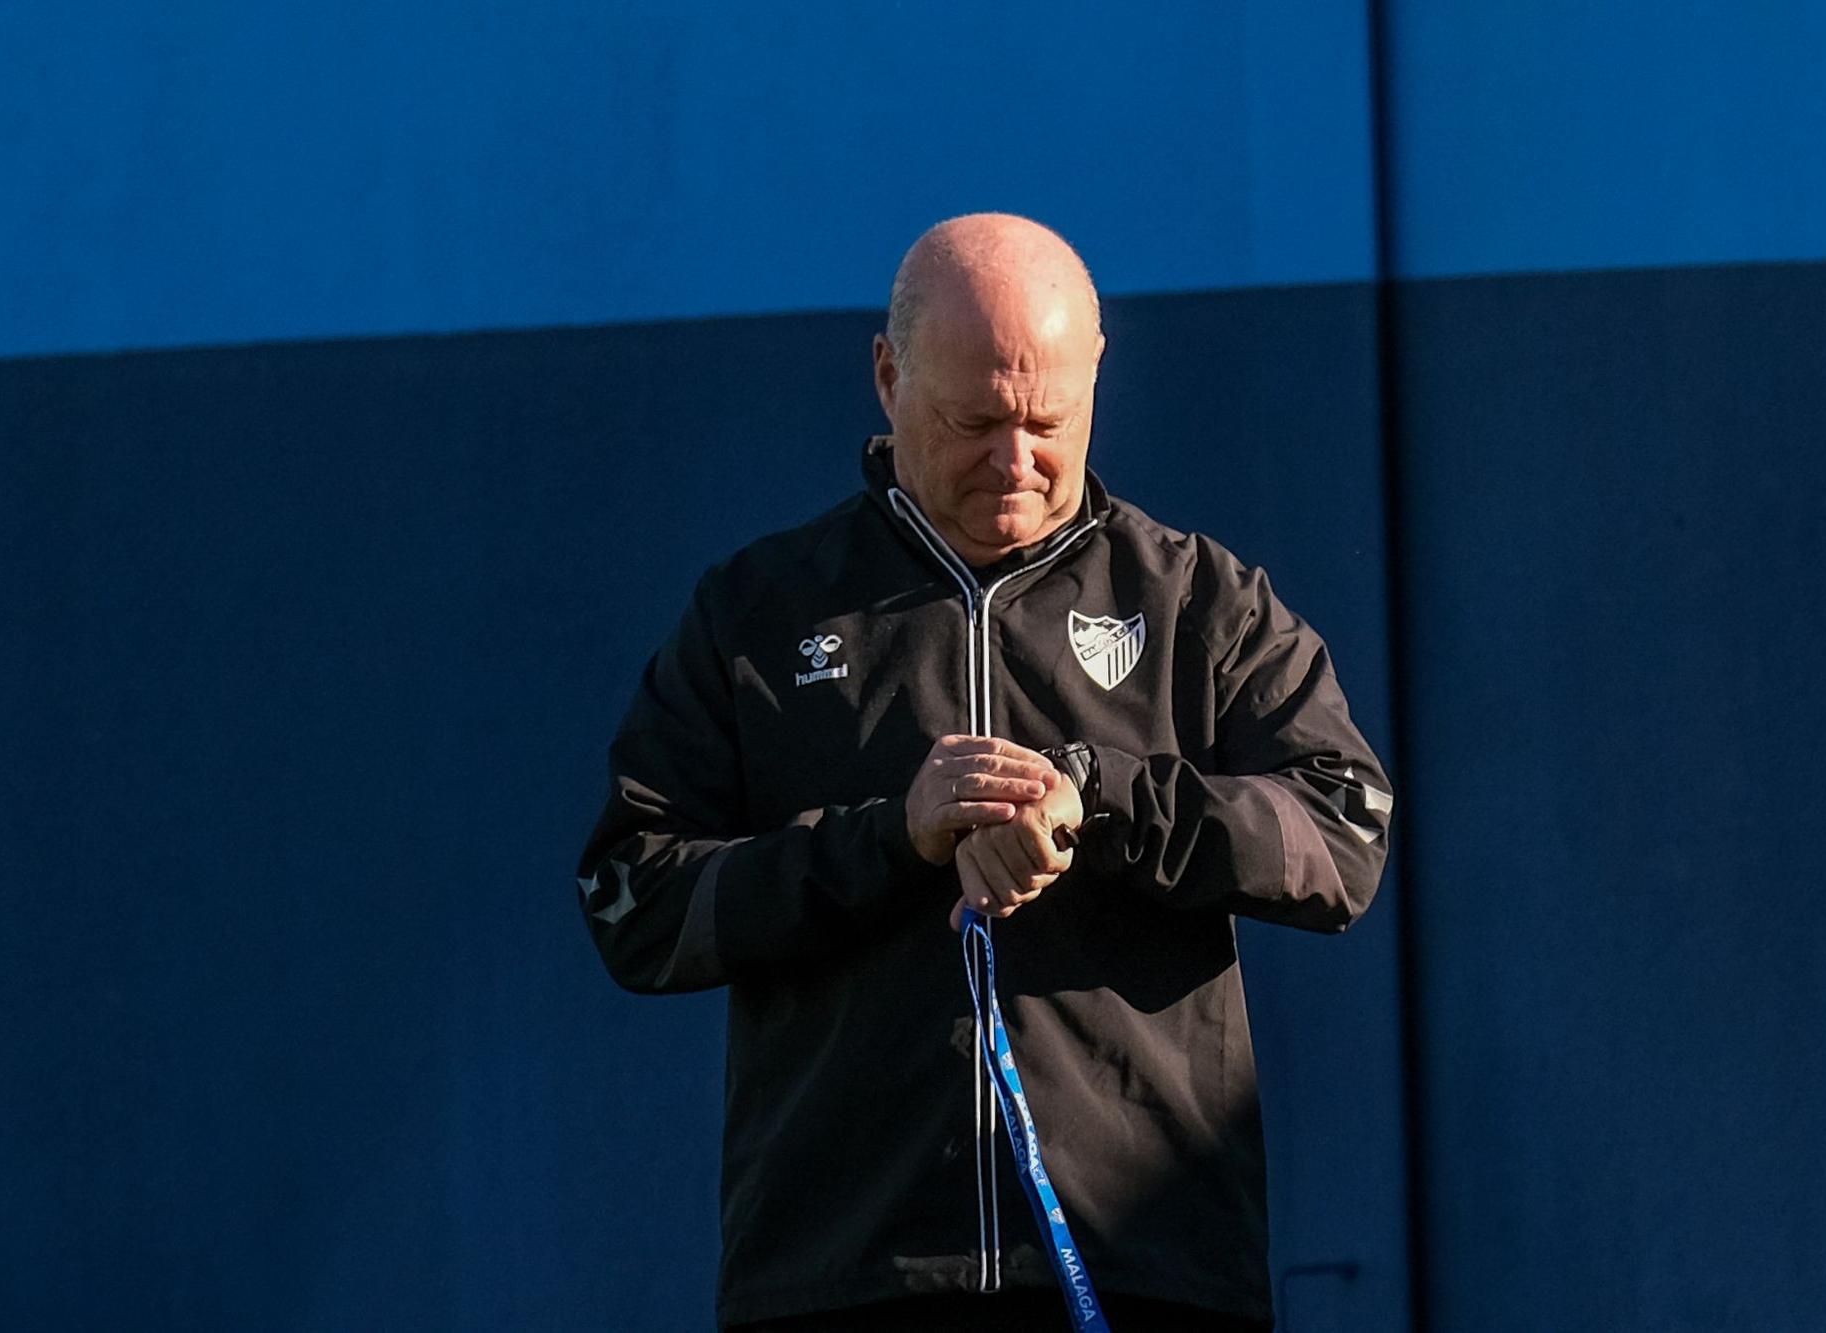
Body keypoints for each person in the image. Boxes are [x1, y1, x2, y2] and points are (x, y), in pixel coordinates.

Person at [576, 213, 1393, 1332]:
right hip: (843, 1275)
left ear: (1096, 371)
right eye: (972, 422)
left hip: (1142, 1269)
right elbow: (631, 897)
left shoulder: (1199, 602)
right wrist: (886, 840)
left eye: (1045, 420)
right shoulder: (759, 612)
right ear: (885, 376)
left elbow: (1343, 833)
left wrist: (1101, 795)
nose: (1015, 461)